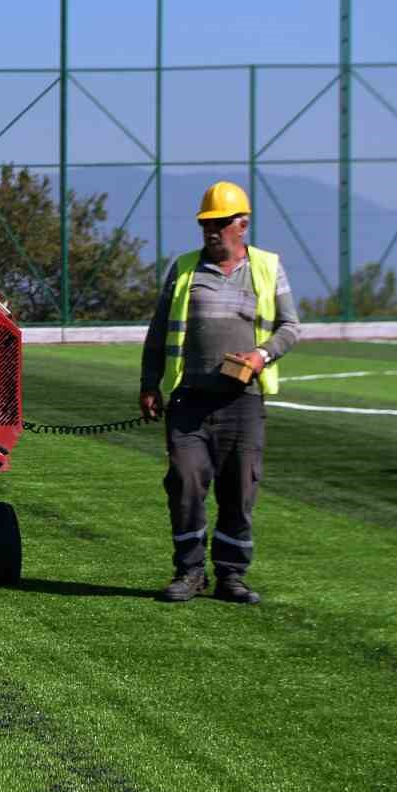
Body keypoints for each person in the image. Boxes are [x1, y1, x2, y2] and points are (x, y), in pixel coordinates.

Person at [138, 181, 301, 604]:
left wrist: (262, 355)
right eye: (207, 223)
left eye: (221, 223)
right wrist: (148, 384)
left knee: (240, 488)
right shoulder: (185, 269)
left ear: (242, 224)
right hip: (189, 401)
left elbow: (291, 326)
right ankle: (189, 571)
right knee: (186, 483)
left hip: (242, 404)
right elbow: (159, 332)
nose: (213, 231)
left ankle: (231, 575)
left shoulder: (267, 267)